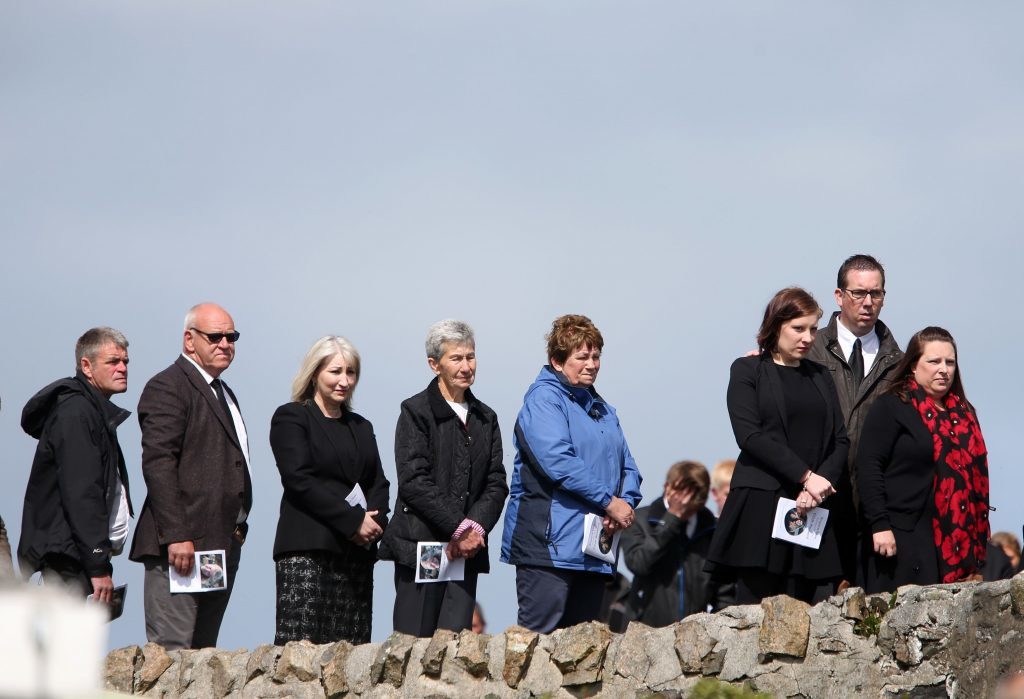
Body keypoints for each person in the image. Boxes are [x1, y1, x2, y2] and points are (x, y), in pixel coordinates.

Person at [501, 314, 643, 633]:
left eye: (596, 356)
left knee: (583, 648)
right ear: (557, 360)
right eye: (581, 357)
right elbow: (558, 462)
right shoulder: (542, 400)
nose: (591, 364)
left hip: (594, 548)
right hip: (548, 547)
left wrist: (625, 505)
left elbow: (628, 465)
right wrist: (609, 502)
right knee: (537, 644)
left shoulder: (604, 409)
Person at [707, 288, 849, 604]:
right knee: (754, 613)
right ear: (776, 325)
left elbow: (840, 439)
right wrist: (805, 476)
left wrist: (818, 486)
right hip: (761, 504)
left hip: (812, 507)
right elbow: (750, 435)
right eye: (798, 328)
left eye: (813, 329)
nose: (808, 337)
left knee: (810, 610)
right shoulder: (748, 370)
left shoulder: (820, 375)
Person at [129, 303, 252, 650]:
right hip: (181, 549)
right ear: (189, 340)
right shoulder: (169, 385)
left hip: (218, 546)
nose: (225, 344)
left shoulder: (224, 392)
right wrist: (177, 535)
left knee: (202, 659)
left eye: (232, 336)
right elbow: (158, 463)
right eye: (215, 336)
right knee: (172, 656)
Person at [378, 320, 508, 637]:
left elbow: (496, 481)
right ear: (434, 364)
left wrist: (475, 528)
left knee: (456, 648)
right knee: (415, 641)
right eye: (456, 358)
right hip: (424, 545)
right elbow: (413, 481)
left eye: (470, 357)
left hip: (468, 551)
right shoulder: (415, 412)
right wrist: (460, 528)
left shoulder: (485, 418)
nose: (466, 366)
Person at [269, 336, 390, 645]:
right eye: (335, 372)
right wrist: (352, 522)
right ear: (315, 373)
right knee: (301, 654)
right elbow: (298, 479)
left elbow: (378, 481)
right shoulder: (292, 417)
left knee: (352, 655)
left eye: (350, 373)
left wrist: (373, 525)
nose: (344, 381)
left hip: (355, 556)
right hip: (309, 551)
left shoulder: (361, 426)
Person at [857, 327, 990, 591]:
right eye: (934, 361)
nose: (944, 369)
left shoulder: (965, 413)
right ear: (913, 367)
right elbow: (869, 466)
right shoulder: (892, 406)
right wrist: (879, 525)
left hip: (954, 540)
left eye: (950, 362)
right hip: (901, 535)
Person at [18, 328, 133, 603]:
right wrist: (97, 563)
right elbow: (82, 491)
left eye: (125, 362)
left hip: (74, 553)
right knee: (66, 639)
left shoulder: (92, 410)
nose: (122, 368)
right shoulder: (77, 412)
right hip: (67, 556)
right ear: (86, 366)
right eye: (113, 362)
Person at [807, 254, 903, 584]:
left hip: (872, 506)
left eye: (876, 294)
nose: (867, 302)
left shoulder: (900, 363)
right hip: (816, 496)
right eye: (858, 293)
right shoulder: (809, 349)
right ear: (839, 296)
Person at [620, 460, 734, 627]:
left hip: (697, 636)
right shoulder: (640, 521)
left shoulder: (712, 530)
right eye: (682, 494)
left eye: (694, 499)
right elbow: (639, 563)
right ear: (668, 488)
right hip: (644, 632)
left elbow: (724, 590)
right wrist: (672, 519)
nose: (686, 503)